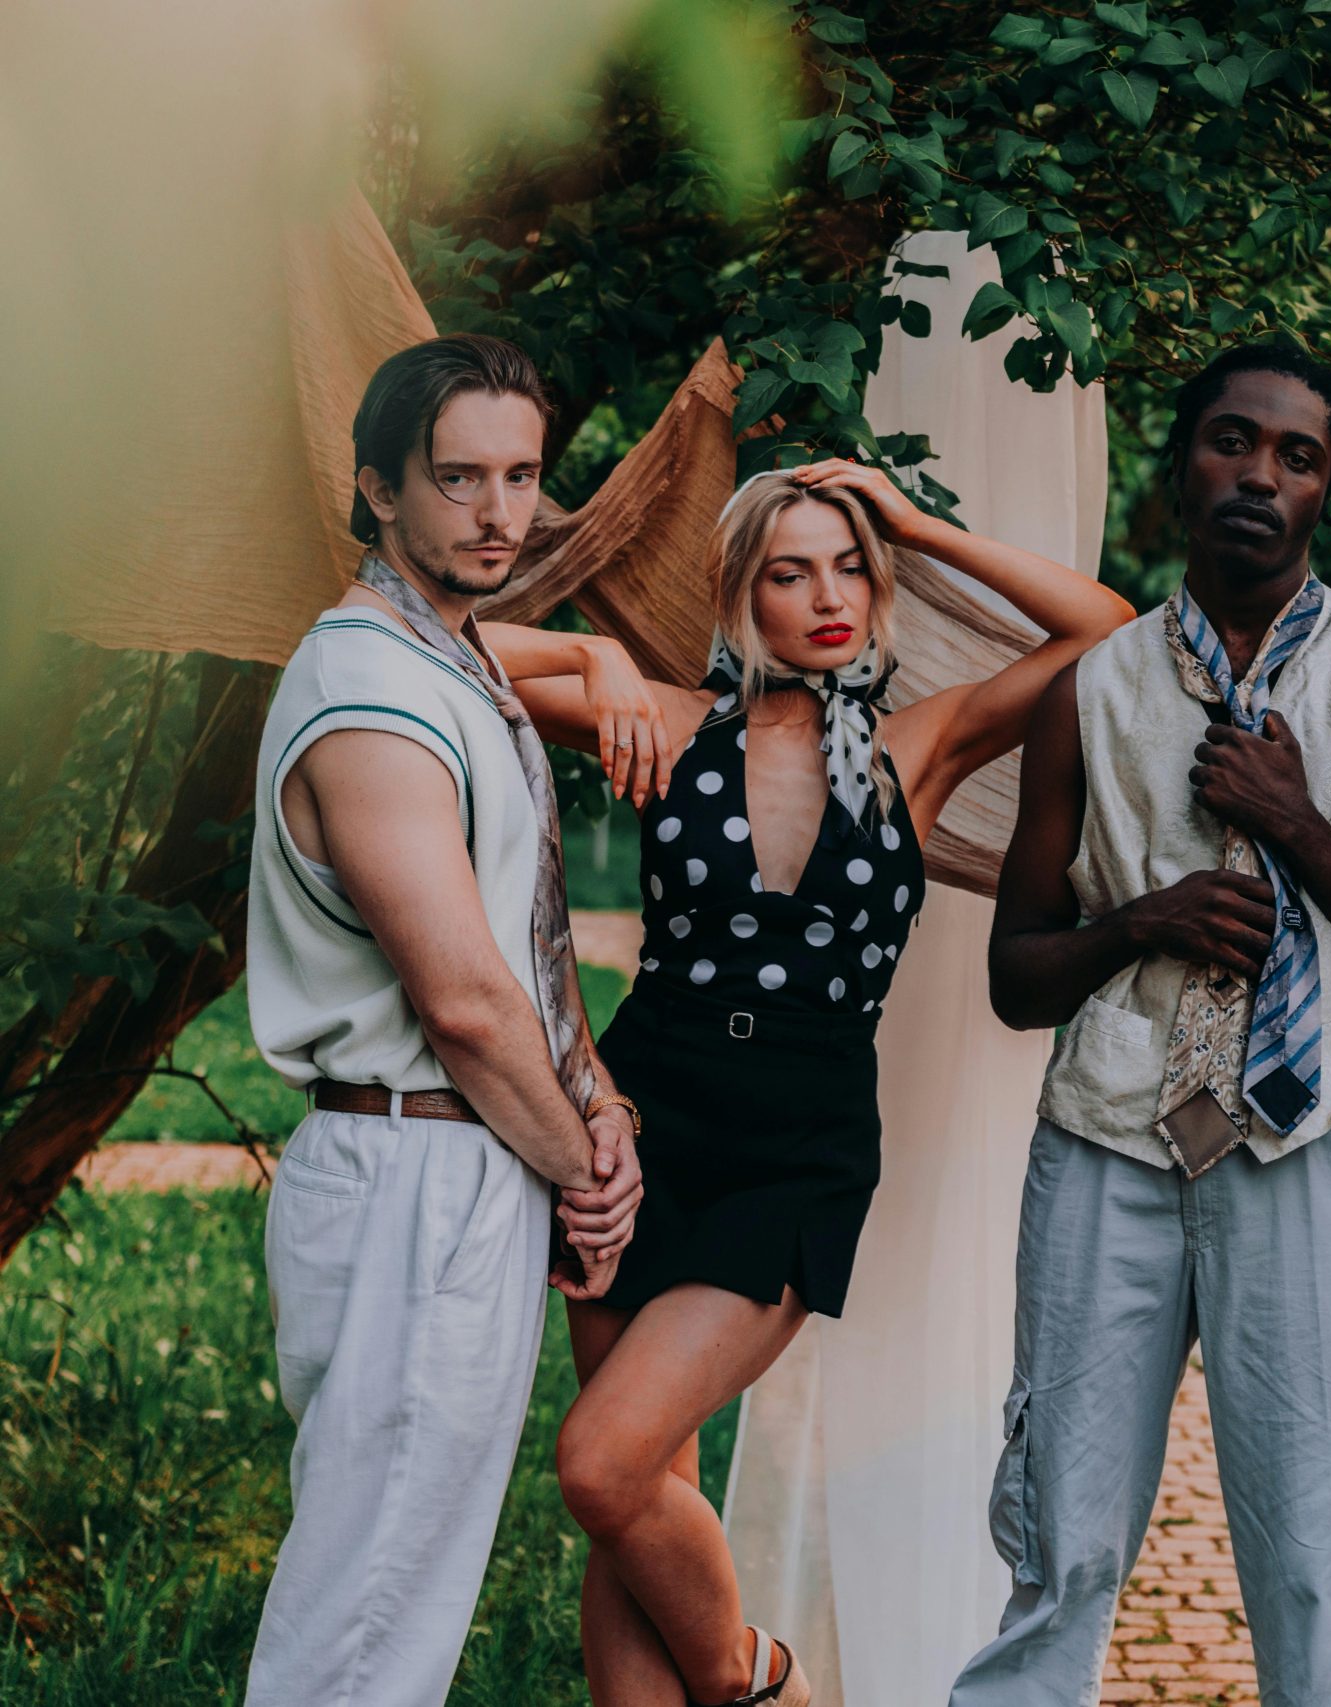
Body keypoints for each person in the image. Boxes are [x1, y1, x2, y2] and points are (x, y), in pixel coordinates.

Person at [478, 454, 1132, 1707]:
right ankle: (747, 1676)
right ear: (741, 595)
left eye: (851, 567)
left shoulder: (914, 749)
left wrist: (917, 525)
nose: (830, 595)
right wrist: (602, 667)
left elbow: (1104, 629)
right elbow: (438, 653)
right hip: (635, 1124)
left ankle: (750, 1680)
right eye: (792, 571)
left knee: (603, 1468)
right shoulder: (667, 724)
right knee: (643, 1490)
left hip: (800, 1147)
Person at [947, 340, 1331, 1707]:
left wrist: (1299, 825)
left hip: (1310, 1162)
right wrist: (1143, 919)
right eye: (1232, 441)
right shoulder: (1091, 691)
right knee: (1060, 1551)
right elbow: (1017, 980)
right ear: (1179, 460)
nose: (1259, 474)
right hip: (1107, 1153)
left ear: (1328, 490)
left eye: (1296, 456)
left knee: (1328, 1569)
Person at [243, 333, 644, 1706]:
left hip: (464, 1159)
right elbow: (469, 1001)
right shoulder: (367, 691)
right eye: (457, 477)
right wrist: (585, 1164)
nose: (499, 512)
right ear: (378, 491)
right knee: (361, 1627)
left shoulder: (448, 657)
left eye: (521, 475)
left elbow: (520, 954)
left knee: (395, 1605)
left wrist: (604, 1105)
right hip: (414, 1162)